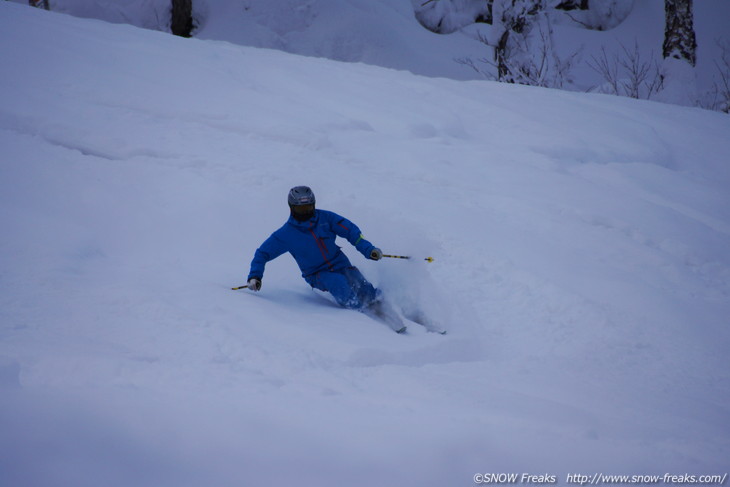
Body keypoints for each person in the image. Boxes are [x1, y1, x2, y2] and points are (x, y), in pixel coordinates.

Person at [246, 186, 389, 315]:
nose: (306, 213)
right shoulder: (286, 234)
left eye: (308, 208)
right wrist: (255, 276)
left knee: (358, 281)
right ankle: (361, 313)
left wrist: (368, 250)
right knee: (337, 282)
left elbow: (351, 231)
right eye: (301, 209)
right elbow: (262, 253)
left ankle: (384, 306)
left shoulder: (326, 218)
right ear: (291, 208)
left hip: (340, 263)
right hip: (317, 274)